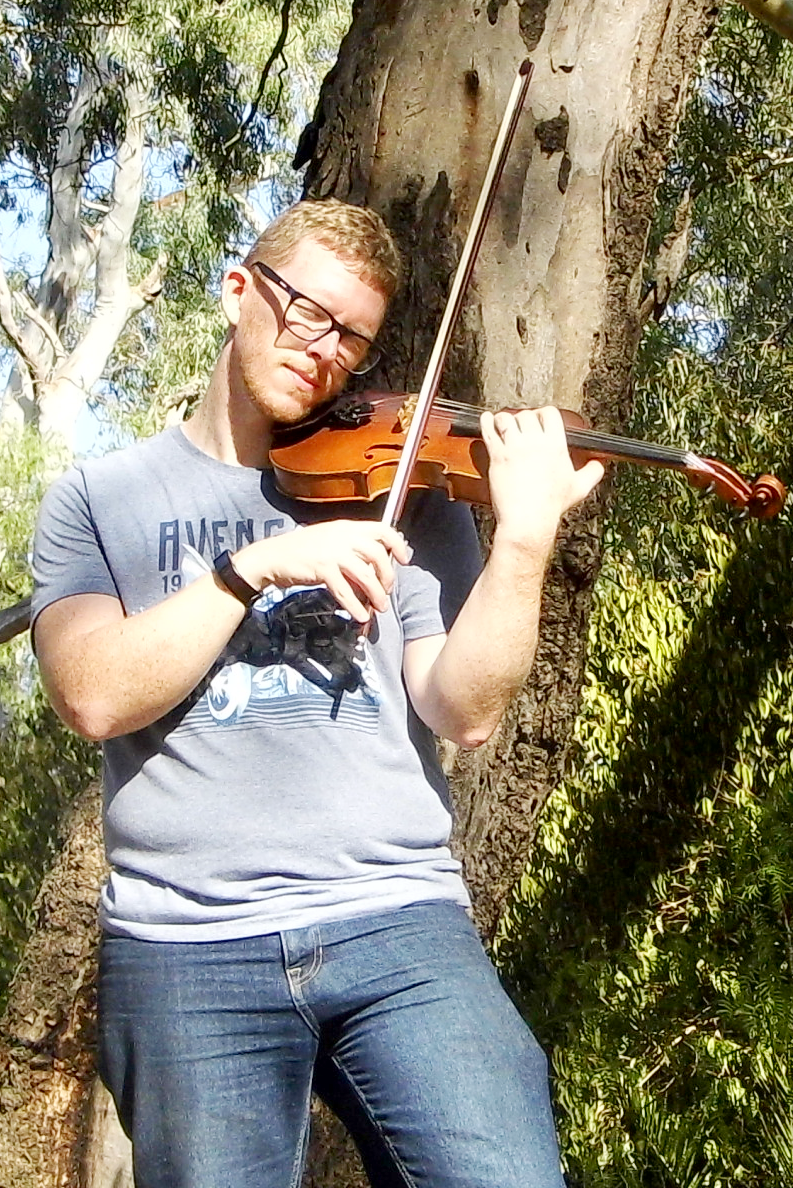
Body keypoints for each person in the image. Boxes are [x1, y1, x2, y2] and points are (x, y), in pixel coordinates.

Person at [31, 198, 604, 1188]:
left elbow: (465, 711)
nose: (328, 353)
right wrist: (250, 567)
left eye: (355, 339)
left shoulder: (403, 485)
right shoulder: (100, 499)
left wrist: (521, 541)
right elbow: (93, 696)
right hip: (186, 948)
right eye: (311, 314)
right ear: (239, 289)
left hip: (399, 920)